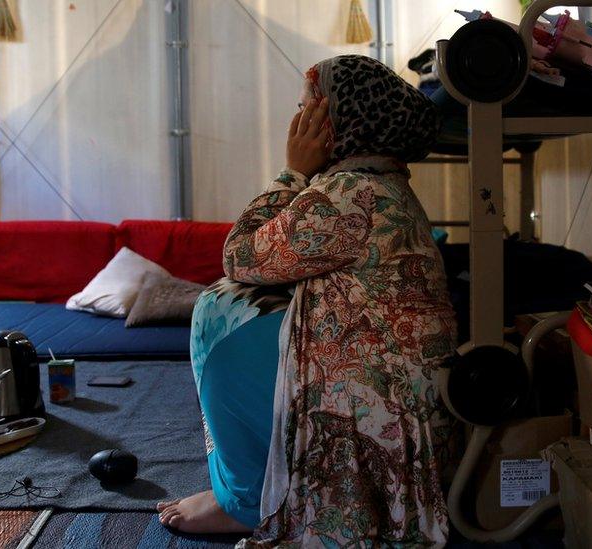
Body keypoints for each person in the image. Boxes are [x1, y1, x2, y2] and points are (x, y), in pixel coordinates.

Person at [157, 54, 458, 546]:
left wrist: (292, 171)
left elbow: (240, 256)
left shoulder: (348, 192)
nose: (295, 124)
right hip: (400, 400)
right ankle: (244, 489)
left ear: (335, 121)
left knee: (220, 315)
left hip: (375, 406)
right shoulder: (378, 181)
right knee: (239, 308)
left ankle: (246, 500)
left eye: (305, 110)